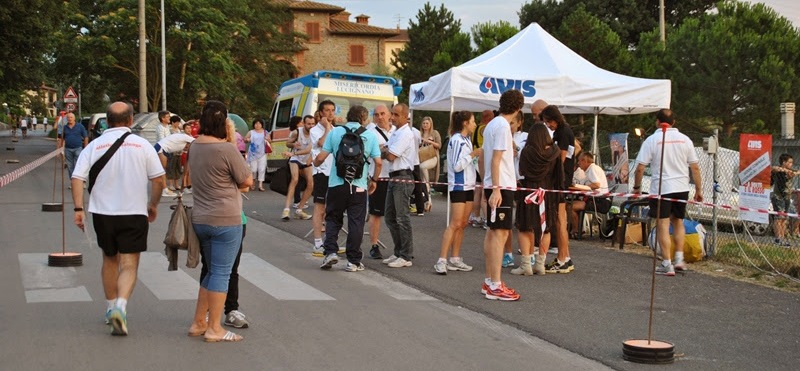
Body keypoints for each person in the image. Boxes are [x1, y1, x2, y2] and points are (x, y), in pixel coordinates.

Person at [70, 101, 165, 336]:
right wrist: (152, 204)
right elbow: (159, 180)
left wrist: (78, 209)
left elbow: (77, 178)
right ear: (131, 120)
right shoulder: (142, 145)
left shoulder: (95, 145)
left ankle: (110, 307)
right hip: (133, 212)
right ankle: (121, 308)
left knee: (110, 260)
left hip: (103, 213)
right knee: (129, 264)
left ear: (107, 121)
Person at [186, 100, 253, 342]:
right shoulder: (227, 150)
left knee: (211, 271)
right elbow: (247, 181)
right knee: (222, 273)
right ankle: (215, 327)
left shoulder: (195, 146)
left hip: (201, 218)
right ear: (224, 123)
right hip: (226, 219)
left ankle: (198, 322)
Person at [633, 109, 702, 276]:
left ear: (657, 122)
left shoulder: (652, 140)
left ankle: (666, 263)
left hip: (661, 188)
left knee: (663, 224)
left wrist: (636, 187)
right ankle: (679, 259)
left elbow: (640, 168)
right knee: (678, 222)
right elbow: (695, 167)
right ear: (674, 122)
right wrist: (699, 190)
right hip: (681, 187)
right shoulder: (685, 140)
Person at [315, 106, 382, 271]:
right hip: (358, 186)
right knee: (356, 222)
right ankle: (353, 261)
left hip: (336, 184)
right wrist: (374, 180)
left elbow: (321, 157)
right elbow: (379, 162)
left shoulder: (336, 132)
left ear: (348, 117)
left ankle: (330, 252)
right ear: (364, 118)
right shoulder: (370, 136)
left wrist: (315, 163)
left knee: (332, 219)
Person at [481, 89, 523, 301]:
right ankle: (495, 284)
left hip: (495, 183)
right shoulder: (503, 126)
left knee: (493, 232)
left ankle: (490, 281)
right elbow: (496, 159)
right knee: (500, 234)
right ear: (518, 109)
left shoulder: (492, 125)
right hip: (501, 185)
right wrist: (497, 189)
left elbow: (488, 157)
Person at [511, 122, 564, 276]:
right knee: (545, 228)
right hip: (547, 194)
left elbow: (521, 171)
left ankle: (526, 264)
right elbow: (559, 175)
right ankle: (540, 264)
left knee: (525, 227)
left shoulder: (527, 151)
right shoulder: (555, 152)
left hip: (529, 193)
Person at [434, 110, 481, 274]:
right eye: (473, 121)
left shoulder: (467, 139)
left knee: (463, 224)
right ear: (465, 123)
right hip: (459, 186)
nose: (475, 124)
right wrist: (473, 154)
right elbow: (456, 165)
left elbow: (469, 163)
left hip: (469, 186)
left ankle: (455, 257)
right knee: (455, 223)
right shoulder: (456, 140)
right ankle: (441, 259)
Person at [541, 105, 576, 273]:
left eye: (549, 122)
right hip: (563, 179)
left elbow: (561, 157)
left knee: (560, 220)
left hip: (560, 180)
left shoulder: (562, 132)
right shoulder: (564, 131)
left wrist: (550, 173)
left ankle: (562, 258)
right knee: (560, 218)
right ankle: (566, 257)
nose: (549, 126)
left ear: (554, 119)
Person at [381, 103, 416, 268]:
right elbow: (387, 151)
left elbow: (391, 155)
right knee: (390, 217)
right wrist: (385, 150)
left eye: (395, 115)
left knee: (402, 218)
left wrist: (383, 151)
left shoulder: (405, 134)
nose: (392, 117)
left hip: (402, 177)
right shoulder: (396, 132)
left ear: (404, 116)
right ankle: (398, 251)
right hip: (394, 177)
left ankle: (406, 255)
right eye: (392, 114)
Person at [310, 101, 340, 256]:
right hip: (321, 172)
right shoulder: (316, 130)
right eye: (327, 110)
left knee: (332, 208)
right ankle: (317, 243)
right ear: (321, 113)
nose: (330, 113)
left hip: (334, 173)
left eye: (332, 110)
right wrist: (327, 128)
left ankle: (330, 242)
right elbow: (322, 143)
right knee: (320, 207)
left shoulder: (335, 129)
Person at [365, 105, 394, 259]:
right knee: (376, 214)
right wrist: (385, 150)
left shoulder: (397, 131)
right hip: (378, 177)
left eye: (383, 114)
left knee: (396, 214)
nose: (380, 117)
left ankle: (401, 247)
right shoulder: (370, 133)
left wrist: (385, 149)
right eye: (376, 114)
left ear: (389, 115)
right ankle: (374, 245)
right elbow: (371, 153)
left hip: (395, 176)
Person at [569, 152, 611, 238]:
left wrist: (583, 187)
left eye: (579, 161)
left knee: (570, 207)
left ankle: (577, 231)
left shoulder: (592, 169)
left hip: (599, 201)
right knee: (572, 205)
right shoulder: (592, 169)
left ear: (585, 161)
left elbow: (596, 185)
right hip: (597, 200)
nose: (578, 163)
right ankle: (577, 229)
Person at [282, 116, 314, 220]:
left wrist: (294, 152)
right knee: (295, 179)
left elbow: (308, 150)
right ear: (304, 124)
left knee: (311, 183)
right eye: (309, 124)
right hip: (295, 158)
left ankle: (299, 210)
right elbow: (287, 143)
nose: (311, 126)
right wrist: (293, 144)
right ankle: (286, 210)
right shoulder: (297, 132)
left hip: (305, 159)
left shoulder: (315, 134)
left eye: (313, 124)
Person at [469, 110, 495, 228]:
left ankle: (476, 216)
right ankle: (486, 218)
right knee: (484, 191)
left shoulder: (476, 128)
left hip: (475, 160)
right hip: (482, 160)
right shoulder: (484, 128)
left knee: (477, 190)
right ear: (489, 118)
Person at [154, 130, 195, 196]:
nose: (186, 149)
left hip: (163, 149)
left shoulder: (180, 140)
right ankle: (164, 190)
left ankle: (164, 190)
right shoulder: (186, 137)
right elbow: (197, 141)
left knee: (162, 171)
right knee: (162, 171)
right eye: (187, 148)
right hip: (161, 148)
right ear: (188, 143)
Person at [770, 154, 796, 246]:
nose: (791, 164)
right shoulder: (778, 170)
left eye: (792, 163)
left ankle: (782, 238)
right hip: (778, 196)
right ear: (784, 162)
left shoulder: (790, 172)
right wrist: (784, 169)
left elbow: (794, 173)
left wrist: (792, 173)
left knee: (784, 218)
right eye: (789, 162)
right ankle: (778, 239)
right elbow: (773, 168)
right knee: (779, 217)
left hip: (787, 197)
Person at [418, 116, 442, 209]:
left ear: (430, 124)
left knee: (423, 167)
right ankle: (428, 201)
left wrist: (428, 141)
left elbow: (439, 145)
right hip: (421, 157)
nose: (425, 125)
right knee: (423, 181)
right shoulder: (419, 134)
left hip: (432, 157)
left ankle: (427, 182)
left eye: (427, 123)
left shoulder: (435, 133)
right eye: (423, 123)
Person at [57, 112, 89, 179]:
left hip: (78, 148)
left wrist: (86, 148)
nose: (69, 119)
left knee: (78, 165)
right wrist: (60, 148)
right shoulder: (65, 127)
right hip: (68, 149)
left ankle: (81, 180)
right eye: (68, 117)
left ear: (74, 118)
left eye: (71, 117)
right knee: (70, 166)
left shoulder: (80, 126)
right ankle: (72, 181)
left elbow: (86, 137)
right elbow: (62, 138)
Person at [245, 118, 269, 192]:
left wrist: (267, 139)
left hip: (262, 153)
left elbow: (270, 141)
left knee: (261, 169)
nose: (257, 125)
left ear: (262, 124)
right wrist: (247, 140)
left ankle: (260, 185)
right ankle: (253, 182)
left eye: (259, 123)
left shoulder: (265, 132)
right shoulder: (251, 132)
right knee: (253, 169)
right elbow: (245, 139)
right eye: (256, 123)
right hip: (252, 154)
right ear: (254, 125)